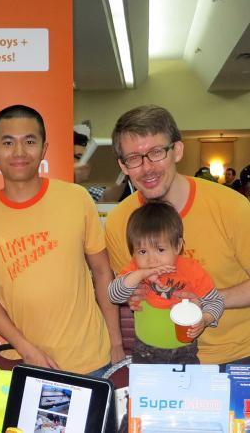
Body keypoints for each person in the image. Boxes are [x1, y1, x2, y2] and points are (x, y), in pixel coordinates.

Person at [0, 104, 123, 376]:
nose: (19, 152)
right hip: (28, 363)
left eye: (29, 141)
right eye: (8, 142)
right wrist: (26, 349)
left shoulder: (76, 199)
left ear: (44, 148)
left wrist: (116, 342)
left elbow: (101, 271)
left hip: (93, 359)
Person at [105, 104, 250, 369]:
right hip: (157, 360)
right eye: (134, 158)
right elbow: (126, 290)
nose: (146, 167)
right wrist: (133, 292)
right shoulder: (118, 222)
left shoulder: (232, 207)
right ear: (123, 166)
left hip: (236, 357)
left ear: (177, 151)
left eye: (156, 152)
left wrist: (207, 300)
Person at [108, 201, 223, 364]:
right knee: (144, 391)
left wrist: (205, 319)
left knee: (187, 389)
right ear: (133, 252)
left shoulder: (191, 270)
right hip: (144, 352)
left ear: (177, 246)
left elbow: (215, 301)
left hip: (184, 352)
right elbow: (114, 296)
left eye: (160, 250)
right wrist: (140, 274)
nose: (151, 259)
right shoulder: (134, 270)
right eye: (142, 251)